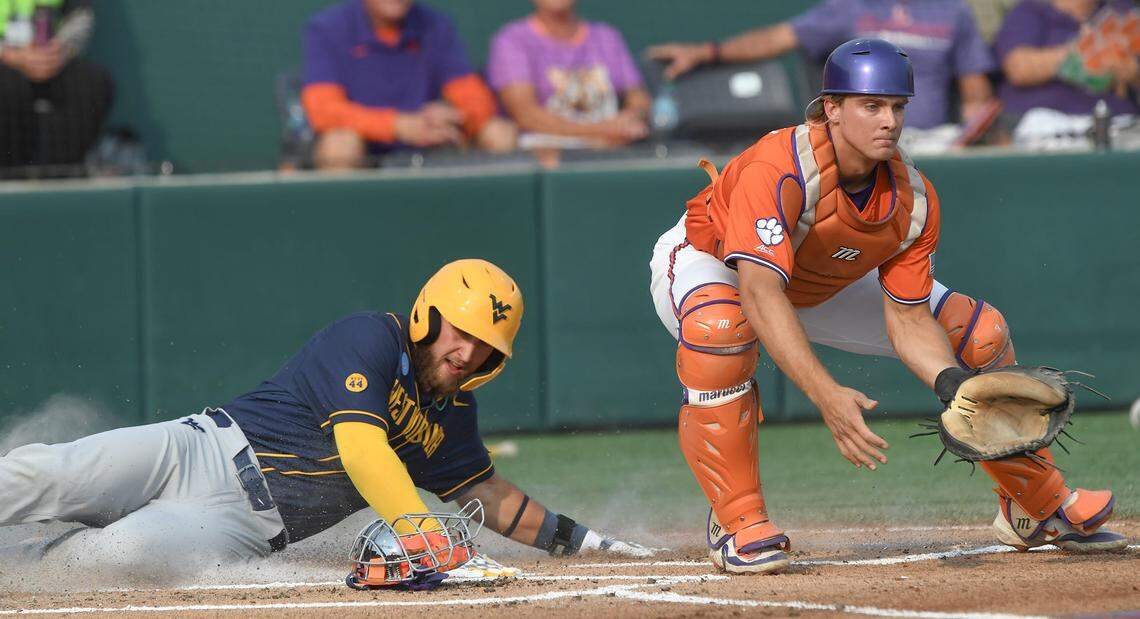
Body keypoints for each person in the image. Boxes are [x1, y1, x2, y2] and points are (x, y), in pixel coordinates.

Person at [647, 38, 1126, 574]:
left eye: (897, 107)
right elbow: (760, 295)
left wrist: (952, 384)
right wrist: (828, 395)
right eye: (871, 106)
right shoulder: (778, 166)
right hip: (717, 266)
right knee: (722, 328)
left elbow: (908, 317)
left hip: (816, 282)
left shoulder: (913, 197)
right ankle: (737, 520)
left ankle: (1036, 506)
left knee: (979, 334)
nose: (889, 121)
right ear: (831, 108)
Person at [0, 260, 649, 580]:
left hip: (238, 524)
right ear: (429, 313)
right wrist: (419, 527)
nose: (468, 351)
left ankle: (21, 563)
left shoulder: (452, 416)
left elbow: (492, 497)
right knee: (52, 471)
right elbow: (363, 447)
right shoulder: (368, 336)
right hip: (197, 447)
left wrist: (592, 544)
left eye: (486, 346)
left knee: (117, 553)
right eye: (463, 331)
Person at [648, 0, 997, 130]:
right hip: (859, 145)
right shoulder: (851, 7)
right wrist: (707, 51)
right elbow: (778, 38)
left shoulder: (955, 11)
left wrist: (971, 138)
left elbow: (975, 95)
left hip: (932, 145)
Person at [300, 0, 517, 170]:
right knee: (339, 146)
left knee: (499, 132)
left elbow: (474, 98)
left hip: (432, 146)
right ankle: (346, 224)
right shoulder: (328, 28)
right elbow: (323, 111)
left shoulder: (435, 24)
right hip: (367, 150)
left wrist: (453, 115)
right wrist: (398, 125)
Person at [486, 0, 650, 149]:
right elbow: (525, 114)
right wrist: (600, 131)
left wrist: (631, 117)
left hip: (613, 146)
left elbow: (638, 97)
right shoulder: (512, 40)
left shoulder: (607, 36)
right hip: (547, 150)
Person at [0, 0, 113, 175]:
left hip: (51, 59)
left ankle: (57, 185)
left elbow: (80, 17)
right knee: (9, 86)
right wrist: (8, 55)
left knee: (90, 83)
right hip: (4, 63)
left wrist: (60, 50)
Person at [994, 0, 1138, 119]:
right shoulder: (1030, 11)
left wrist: (1132, 74)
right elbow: (1019, 69)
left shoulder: (1124, 11)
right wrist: (1081, 52)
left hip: (1118, 123)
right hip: (1044, 125)